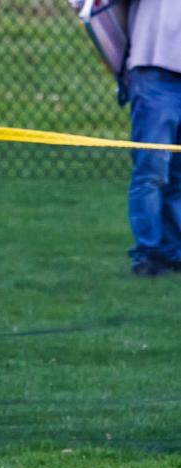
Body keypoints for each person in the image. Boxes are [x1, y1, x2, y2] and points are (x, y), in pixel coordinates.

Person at [125, 0, 181, 276]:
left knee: (178, 174)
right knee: (151, 172)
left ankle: (175, 252)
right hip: (154, 69)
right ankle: (147, 254)